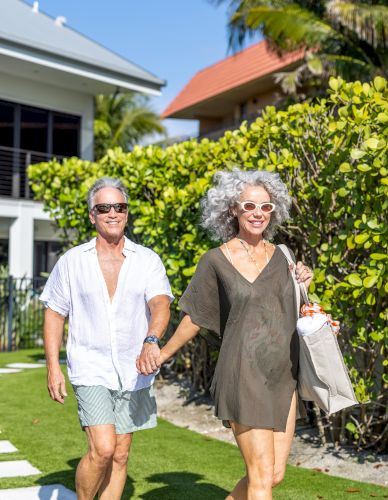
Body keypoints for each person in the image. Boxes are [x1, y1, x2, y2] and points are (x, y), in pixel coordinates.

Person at [139, 169, 313, 499]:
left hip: (283, 376)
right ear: (232, 208)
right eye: (249, 205)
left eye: (266, 207)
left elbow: (295, 306)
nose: (258, 213)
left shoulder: (284, 257)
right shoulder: (215, 261)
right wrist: (162, 352)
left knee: (273, 474)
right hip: (242, 375)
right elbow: (195, 318)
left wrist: (305, 279)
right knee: (260, 477)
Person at [40, 177, 174, 500]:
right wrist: (52, 367)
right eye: (104, 208)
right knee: (102, 448)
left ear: (127, 214)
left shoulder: (147, 260)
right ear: (92, 215)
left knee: (121, 452)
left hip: (134, 370)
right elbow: (55, 313)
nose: (112, 213)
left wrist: (151, 339)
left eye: (119, 207)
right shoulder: (72, 262)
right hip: (90, 366)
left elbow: (161, 304)